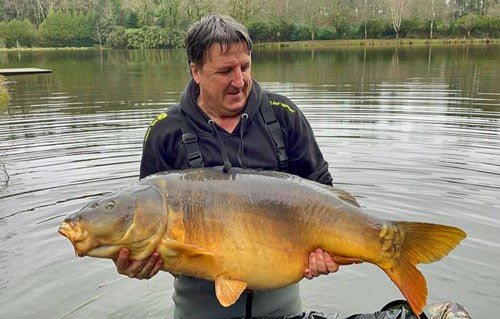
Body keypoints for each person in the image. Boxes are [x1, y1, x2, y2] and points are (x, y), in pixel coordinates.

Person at [114, 13, 338, 318]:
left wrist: (323, 249)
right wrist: (138, 262)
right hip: (199, 307)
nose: (239, 80)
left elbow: (324, 194)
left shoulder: (283, 116)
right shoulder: (165, 132)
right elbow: (149, 225)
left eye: (245, 66)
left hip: (282, 304)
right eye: (225, 71)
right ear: (195, 71)